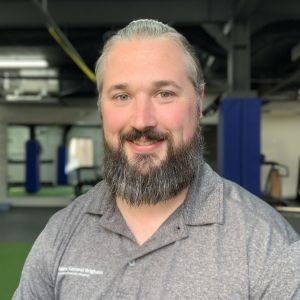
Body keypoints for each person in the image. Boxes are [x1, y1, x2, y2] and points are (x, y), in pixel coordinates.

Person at [13, 19, 300, 299]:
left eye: (164, 94)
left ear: (198, 103)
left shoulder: (267, 245)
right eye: (122, 96)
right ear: (102, 108)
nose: (141, 121)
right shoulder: (61, 232)